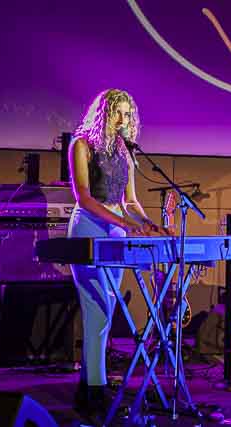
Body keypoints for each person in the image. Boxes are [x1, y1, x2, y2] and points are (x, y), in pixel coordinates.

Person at [67, 89, 166, 420]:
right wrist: (123, 222)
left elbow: (131, 201)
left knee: (107, 310)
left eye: (127, 113)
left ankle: (89, 389)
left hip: (117, 230)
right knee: (96, 309)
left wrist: (149, 224)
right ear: (103, 114)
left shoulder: (125, 151)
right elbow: (84, 197)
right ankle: (94, 391)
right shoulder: (82, 146)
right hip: (89, 227)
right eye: (117, 113)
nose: (123, 119)